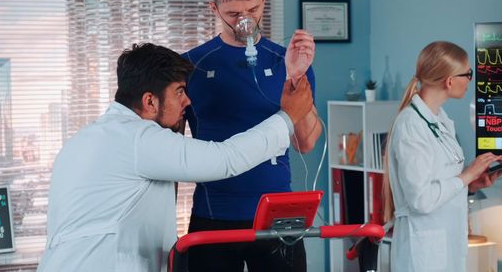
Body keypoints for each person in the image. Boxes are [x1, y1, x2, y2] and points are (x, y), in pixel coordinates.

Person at [37, 43, 314, 272]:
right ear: (149, 101)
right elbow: (226, 159)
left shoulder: (86, 139)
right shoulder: (138, 139)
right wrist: (287, 117)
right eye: (179, 92)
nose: (188, 101)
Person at [181, 0, 321, 272]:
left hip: (278, 214)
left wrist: (296, 77)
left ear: (264, 0)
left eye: (253, 9)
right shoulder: (190, 65)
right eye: (232, 13)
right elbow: (169, 147)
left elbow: (307, 143)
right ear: (214, 8)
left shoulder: (289, 61)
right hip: (215, 213)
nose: (244, 19)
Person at [382, 41, 502, 272]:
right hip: (422, 253)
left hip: (444, 246)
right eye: (468, 73)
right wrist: (465, 176)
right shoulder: (411, 125)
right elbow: (421, 199)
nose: (471, 79)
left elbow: (441, 180)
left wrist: (469, 184)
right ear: (449, 81)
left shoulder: (439, 118)